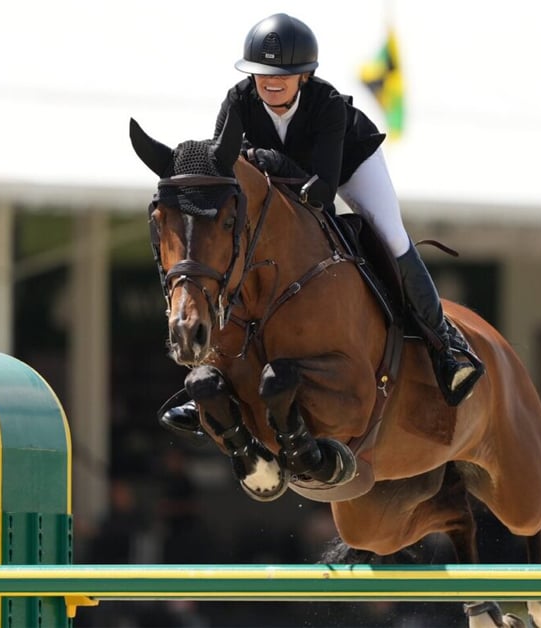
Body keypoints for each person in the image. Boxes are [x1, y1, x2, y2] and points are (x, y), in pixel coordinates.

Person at [160, 13, 483, 436]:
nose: (271, 83)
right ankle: (211, 372)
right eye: (263, 74)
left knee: (389, 233)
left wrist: (269, 163)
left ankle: (445, 345)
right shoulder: (236, 102)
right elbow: (227, 176)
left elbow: (323, 191)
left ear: (305, 76)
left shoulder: (328, 106)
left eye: (283, 76)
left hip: (347, 166)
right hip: (276, 188)